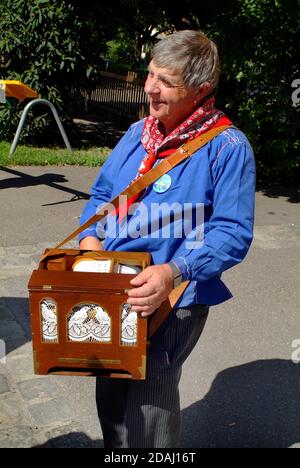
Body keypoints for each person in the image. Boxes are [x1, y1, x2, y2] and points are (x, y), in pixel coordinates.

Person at [79, 30, 256, 448]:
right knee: (111, 388)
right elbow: (107, 196)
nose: (150, 88)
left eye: (166, 81)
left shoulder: (228, 147)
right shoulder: (140, 131)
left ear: (201, 90)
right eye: (150, 74)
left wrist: (174, 271)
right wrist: (92, 241)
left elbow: (232, 232)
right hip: (115, 285)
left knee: (149, 404)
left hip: (174, 296)